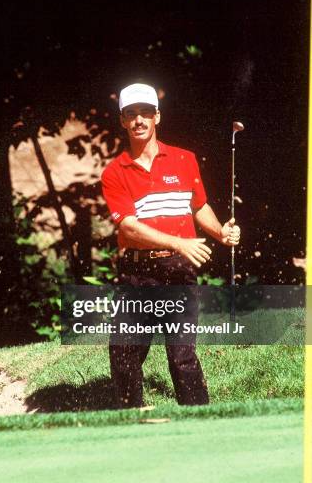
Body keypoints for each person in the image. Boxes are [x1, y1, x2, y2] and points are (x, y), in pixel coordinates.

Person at [101, 83, 241, 408]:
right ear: (122, 121)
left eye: (145, 113)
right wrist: (179, 242)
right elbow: (130, 228)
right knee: (124, 350)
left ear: (157, 117)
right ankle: (131, 419)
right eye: (131, 114)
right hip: (138, 273)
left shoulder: (184, 160)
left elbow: (199, 206)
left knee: (182, 356)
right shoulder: (114, 171)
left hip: (177, 274)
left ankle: (199, 424)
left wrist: (221, 233)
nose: (139, 120)